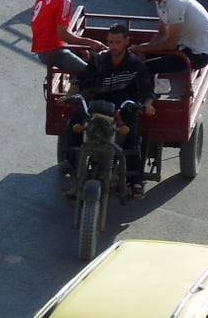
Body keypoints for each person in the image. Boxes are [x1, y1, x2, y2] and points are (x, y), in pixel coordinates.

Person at [67, 22, 156, 199]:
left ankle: (136, 180)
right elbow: (82, 79)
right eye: (110, 42)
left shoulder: (136, 64)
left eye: (117, 42)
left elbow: (148, 90)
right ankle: (75, 170)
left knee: (131, 138)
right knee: (73, 124)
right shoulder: (99, 59)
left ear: (127, 42)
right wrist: (69, 95)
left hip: (124, 107)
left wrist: (148, 104)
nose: (113, 46)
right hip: (98, 104)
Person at [134, 0, 208, 77]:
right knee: (136, 57)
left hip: (197, 54)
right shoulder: (161, 0)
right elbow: (162, 34)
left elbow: (171, 44)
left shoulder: (174, 4)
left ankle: (150, 92)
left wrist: (143, 49)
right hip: (184, 45)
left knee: (142, 69)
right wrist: (143, 50)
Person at [32, 0, 106, 75]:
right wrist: (90, 42)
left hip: (42, 47)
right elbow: (63, 34)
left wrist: (80, 46)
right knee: (90, 74)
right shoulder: (64, 0)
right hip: (52, 51)